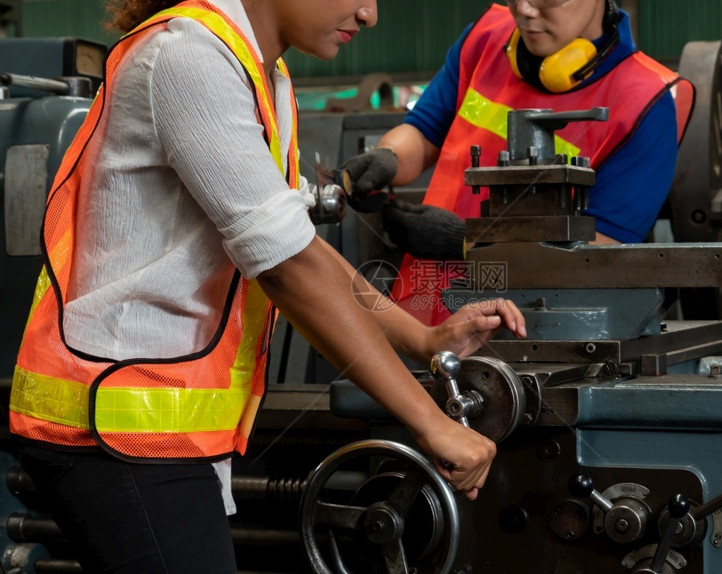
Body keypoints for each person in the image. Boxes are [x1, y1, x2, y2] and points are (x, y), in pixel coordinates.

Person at [8, 0, 527, 572]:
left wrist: (423, 340)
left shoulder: (262, 72)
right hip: (111, 425)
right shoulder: (187, 55)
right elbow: (288, 268)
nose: (370, 14)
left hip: (151, 429)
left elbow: (300, 247)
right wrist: (431, 425)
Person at [340, 0, 694, 325]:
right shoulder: (485, 38)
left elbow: (596, 255)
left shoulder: (646, 101)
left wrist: (464, 243)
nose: (524, 10)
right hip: (420, 316)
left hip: (531, 332)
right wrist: (386, 157)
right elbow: (424, 129)